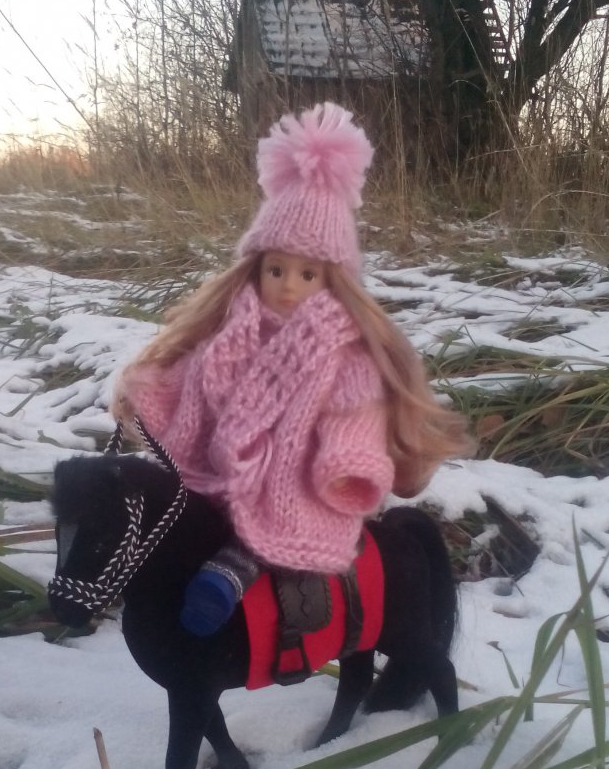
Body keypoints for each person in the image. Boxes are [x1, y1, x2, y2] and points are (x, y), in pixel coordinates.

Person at [111, 101, 472, 635]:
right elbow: (191, 382)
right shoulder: (231, 332)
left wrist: (347, 464)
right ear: (253, 269)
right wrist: (146, 394)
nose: (286, 286)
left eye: (307, 275)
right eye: (275, 269)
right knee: (173, 516)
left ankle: (228, 579)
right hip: (213, 472)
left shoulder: (347, 357)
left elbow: (354, 417)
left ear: (333, 280)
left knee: (264, 537)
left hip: (297, 483)